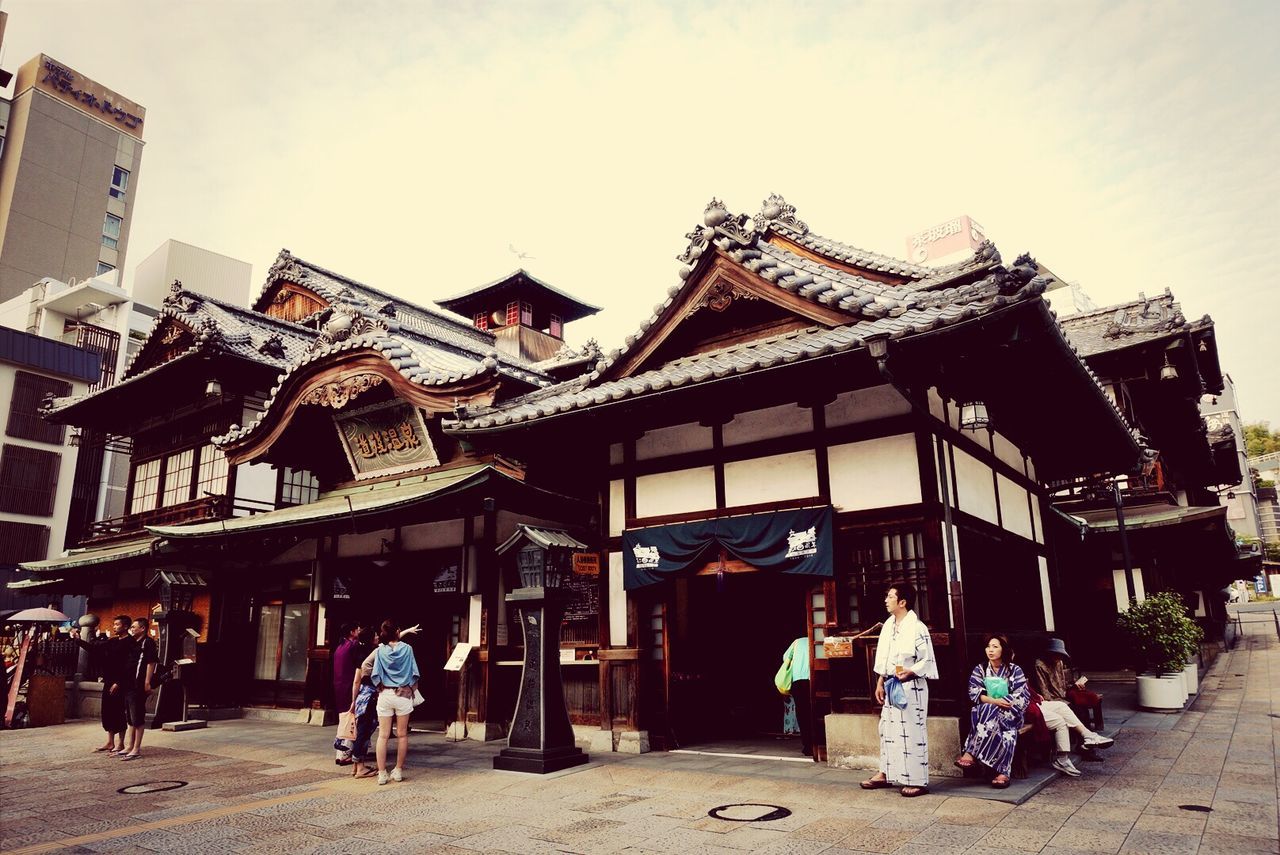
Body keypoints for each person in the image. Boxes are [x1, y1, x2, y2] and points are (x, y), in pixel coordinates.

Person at [860, 582, 939, 797]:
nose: (886, 600)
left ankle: (917, 780)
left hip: (912, 685)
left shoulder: (917, 627)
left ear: (902, 602)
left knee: (912, 731)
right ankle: (885, 772)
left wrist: (911, 671)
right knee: (887, 729)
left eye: (891, 597)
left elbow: (927, 659)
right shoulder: (888, 625)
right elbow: (885, 658)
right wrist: (880, 681)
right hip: (892, 683)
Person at [955, 634, 1028, 788]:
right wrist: (995, 701)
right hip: (988, 711)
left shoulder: (1015, 670)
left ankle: (971, 752)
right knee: (1005, 730)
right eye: (988, 646)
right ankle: (1003, 772)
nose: (991, 650)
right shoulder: (980, 669)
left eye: (995, 647)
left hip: (1011, 713)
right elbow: (975, 693)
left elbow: (1022, 695)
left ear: (1004, 649)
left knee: (991, 714)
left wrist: (1004, 702)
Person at [1033, 638, 1113, 774]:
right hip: (1051, 700)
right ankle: (1086, 745)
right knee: (1076, 711)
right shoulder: (1040, 665)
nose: (1058, 658)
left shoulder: (1060, 663)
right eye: (1055, 654)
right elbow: (1044, 692)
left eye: (1060, 655)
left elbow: (1064, 685)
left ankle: (1087, 745)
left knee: (1082, 710)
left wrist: (1074, 685)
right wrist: (1062, 699)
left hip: (1063, 696)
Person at [363, 619, 420, 785]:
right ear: (397, 631)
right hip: (402, 694)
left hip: (385, 693)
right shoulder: (408, 649)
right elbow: (414, 672)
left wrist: (378, 684)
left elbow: (367, 667)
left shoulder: (380, 651)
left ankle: (382, 773)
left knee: (383, 735)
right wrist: (409, 687)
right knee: (402, 735)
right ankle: (398, 771)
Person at [74, 615, 130, 754]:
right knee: (108, 711)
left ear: (125, 627)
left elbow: (129, 666)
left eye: (117, 624)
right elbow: (94, 649)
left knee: (119, 711)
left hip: (121, 682)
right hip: (108, 679)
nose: (114, 626)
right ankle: (110, 741)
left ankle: (121, 743)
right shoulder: (112, 641)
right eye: (114, 624)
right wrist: (78, 641)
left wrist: (119, 682)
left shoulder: (130, 643)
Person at [118, 617, 157, 761]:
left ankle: (136, 748)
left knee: (137, 717)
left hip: (138, 684)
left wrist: (147, 681)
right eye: (132, 627)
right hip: (128, 684)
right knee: (129, 717)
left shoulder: (148, 642)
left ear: (143, 629)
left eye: (135, 627)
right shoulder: (133, 643)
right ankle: (129, 745)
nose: (132, 629)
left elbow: (151, 662)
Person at [332, 622, 366, 766]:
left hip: (339, 686)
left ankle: (340, 752)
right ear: (352, 632)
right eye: (357, 629)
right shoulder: (354, 646)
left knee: (344, 719)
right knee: (353, 720)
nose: (359, 631)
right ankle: (346, 752)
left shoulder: (339, 648)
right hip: (350, 686)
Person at [780, 636, 812, 756]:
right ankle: (819, 743)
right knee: (815, 711)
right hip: (814, 678)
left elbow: (785, 657)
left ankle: (807, 746)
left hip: (798, 679)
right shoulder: (818, 638)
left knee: (803, 713)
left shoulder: (797, 642)